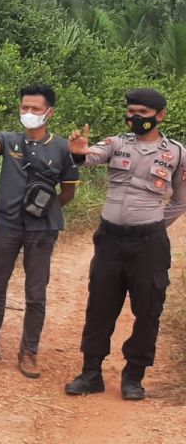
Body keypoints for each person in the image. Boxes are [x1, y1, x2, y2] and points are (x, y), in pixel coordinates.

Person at [64, 88, 186, 401]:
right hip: (110, 240)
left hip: (149, 243)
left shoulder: (177, 153)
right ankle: (91, 373)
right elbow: (90, 157)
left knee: (148, 310)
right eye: (131, 111)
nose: (134, 117)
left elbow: (180, 201)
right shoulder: (116, 143)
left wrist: (154, 222)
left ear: (160, 116)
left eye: (142, 113)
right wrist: (78, 151)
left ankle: (134, 376)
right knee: (100, 306)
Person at [0, 84, 79, 379]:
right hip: (8, 225)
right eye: (24, 107)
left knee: (35, 293)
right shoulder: (10, 140)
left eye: (35, 109)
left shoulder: (63, 148)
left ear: (49, 112)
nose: (28, 113)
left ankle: (30, 351)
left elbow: (68, 192)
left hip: (43, 229)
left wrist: (45, 208)